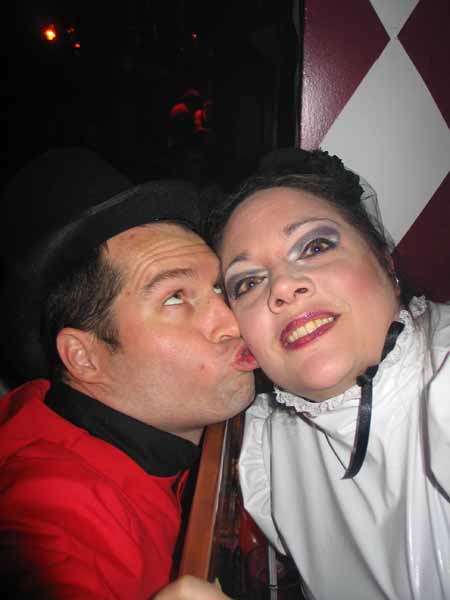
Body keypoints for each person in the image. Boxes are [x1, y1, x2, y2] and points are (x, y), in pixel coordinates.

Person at [0, 147, 257, 599]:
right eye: (175, 297)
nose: (234, 322)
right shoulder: (52, 502)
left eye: (220, 287)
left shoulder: (172, 431)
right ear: (84, 357)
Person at [207, 148, 450, 600]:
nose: (282, 287)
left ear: (385, 261)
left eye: (315, 247)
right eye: (248, 282)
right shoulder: (264, 448)